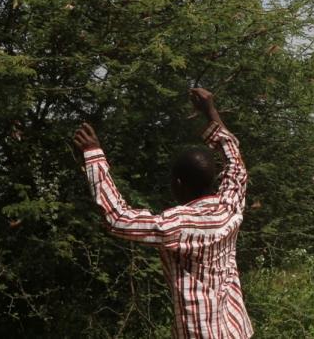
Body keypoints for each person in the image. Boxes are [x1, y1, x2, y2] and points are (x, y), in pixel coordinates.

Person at [72, 88, 253, 339]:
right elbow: (235, 162)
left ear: (178, 183)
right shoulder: (231, 204)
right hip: (235, 331)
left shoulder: (178, 225)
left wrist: (93, 154)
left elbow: (118, 218)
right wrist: (211, 111)